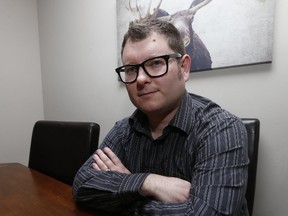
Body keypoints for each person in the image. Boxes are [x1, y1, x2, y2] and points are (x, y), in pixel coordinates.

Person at [73, 19, 249, 216]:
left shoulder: (222, 129)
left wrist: (127, 194)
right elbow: (83, 185)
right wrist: (147, 182)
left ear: (184, 68)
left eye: (156, 63)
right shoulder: (124, 130)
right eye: (131, 69)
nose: (140, 79)